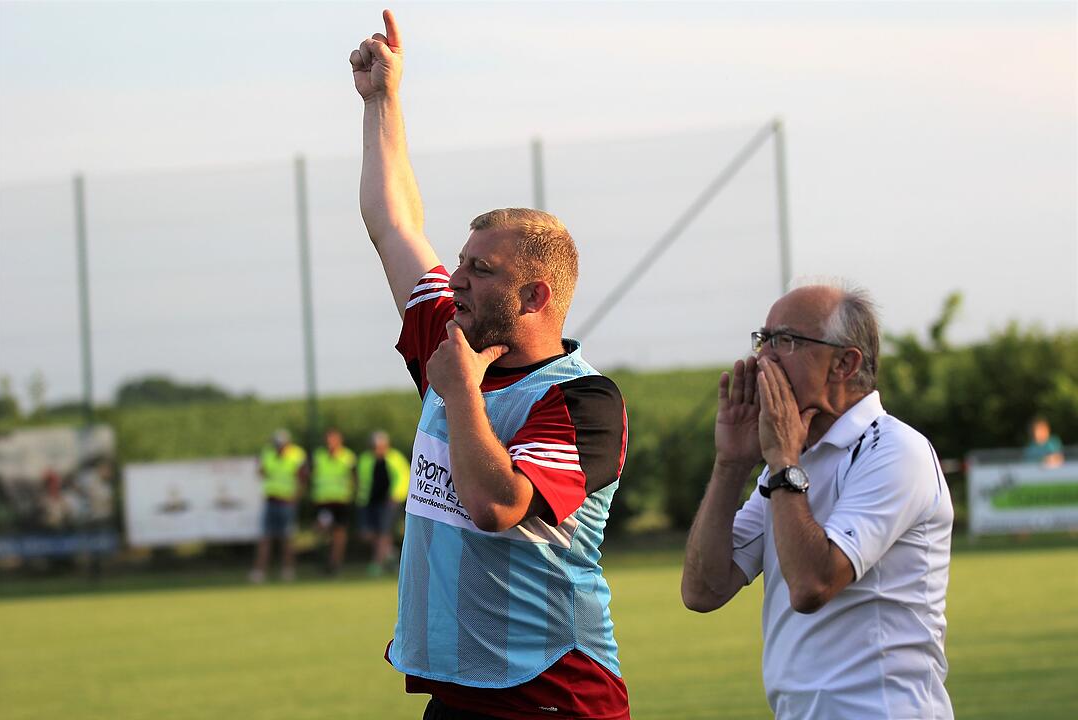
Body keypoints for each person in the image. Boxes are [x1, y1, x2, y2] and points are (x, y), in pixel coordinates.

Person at [350, 10, 631, 719]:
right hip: (460, 694)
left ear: (534, 295)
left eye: (480, 270)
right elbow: (394, 225)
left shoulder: (584, 401)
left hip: (553, 697)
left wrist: (460, 396)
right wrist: (384, 101)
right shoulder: (453, 342)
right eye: (461, 264)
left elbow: (495, 505)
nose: (458, 281)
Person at [682, 284, 954, 719]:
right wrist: (730, 464)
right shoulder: (792, 456)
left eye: (785, 341)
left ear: (845, 363)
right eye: (762, 339)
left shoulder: (896, 450)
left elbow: (812, 585)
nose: (763, 359)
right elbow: (703, 590)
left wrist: (783, 460)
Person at [250, 429, 307, 583]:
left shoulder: (297, 455)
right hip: (270, 500)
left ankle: (288, 571)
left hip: (287, 502)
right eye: (276, 444)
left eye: (281, 444)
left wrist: (297, 496)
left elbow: (302, 478)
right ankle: (259, 572)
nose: (278, 447)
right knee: (265, 538)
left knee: (287, 539)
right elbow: (261, 472)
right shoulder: (268, 453)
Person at [355, 430, 408, 576]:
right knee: (367, 534)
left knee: (384, 532)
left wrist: (395, 496)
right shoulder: (365, 459)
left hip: (389, 502)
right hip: (369, 502)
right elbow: (361, 480)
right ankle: (389, 551)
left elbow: (403, 478)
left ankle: (376, 564)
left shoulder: (395, 458)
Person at [311, 428, 358, 575]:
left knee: (339, 534)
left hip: (340, 501)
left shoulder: (347, 456)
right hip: (323, 501)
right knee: (320, 529)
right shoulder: (319, 456)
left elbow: (354, 477)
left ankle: (335, 564)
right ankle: (325, 559)